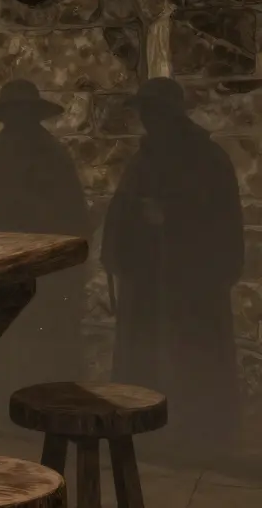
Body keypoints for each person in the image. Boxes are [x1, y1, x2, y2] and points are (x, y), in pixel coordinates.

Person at [102, 77, 243, 463]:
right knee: (145, 357)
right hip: (146, 280)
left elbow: (222, 221)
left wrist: (171, 219)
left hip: (191, 281)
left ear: (171, 114)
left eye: (154, 111)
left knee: (192, 355)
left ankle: (199, 438)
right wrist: (119, 245)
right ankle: (146, 433)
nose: (147, 119)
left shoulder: (207, 159)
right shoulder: (143, 159)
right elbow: (122, 208)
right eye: (144, 112)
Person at [0, 80, 92, 428]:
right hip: (5, 268)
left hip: (46, 272)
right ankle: (13, 413)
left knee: (43, 344)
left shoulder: (52, 157)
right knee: (12, 343)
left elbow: (73, 217)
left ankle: (47, 413)